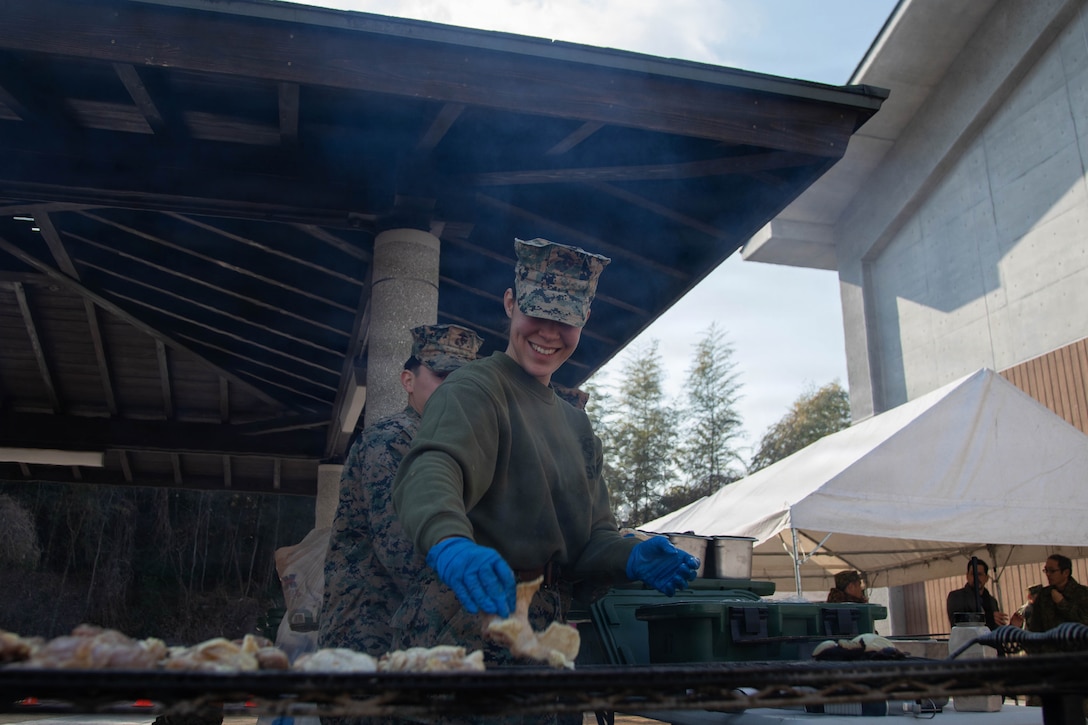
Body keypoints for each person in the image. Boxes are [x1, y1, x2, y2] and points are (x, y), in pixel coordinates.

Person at [391, 237, 699, 670]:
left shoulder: (576, 425)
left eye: (567, 319)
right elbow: (434, 465)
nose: (550, 332)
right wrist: (450, 542)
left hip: (549, 625)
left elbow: (593, 538)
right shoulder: (476, 389)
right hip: (467, 621)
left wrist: (627, 554)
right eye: (537, 312)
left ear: (586, 319)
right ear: (510, 303)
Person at [319, 323, 483, 658]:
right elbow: (405, 549)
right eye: (441, 376)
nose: (453, 389)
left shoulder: (458, 446)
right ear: (408, 381)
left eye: (462, 380)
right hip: (372, 638)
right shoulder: (392, 439)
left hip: (421, 637)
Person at [1011, 554, 1088, 630]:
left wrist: (1062, 603)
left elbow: (1084, 621)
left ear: (1066, 573)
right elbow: (1035, 627)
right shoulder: (1044, 594)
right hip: (1049, 641)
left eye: (1052, 571)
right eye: (1046, 570)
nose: (1048, 574)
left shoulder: (1082, 593)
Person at [946, 558, 1009, 629]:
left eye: (979, 574)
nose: (976, 578)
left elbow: (996, 630)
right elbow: (957, 622)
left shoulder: (992, 601)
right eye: (973, 574)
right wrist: (987, 617)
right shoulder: (956, 596)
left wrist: (1013, 626)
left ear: (986, 578)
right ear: (967, 576)